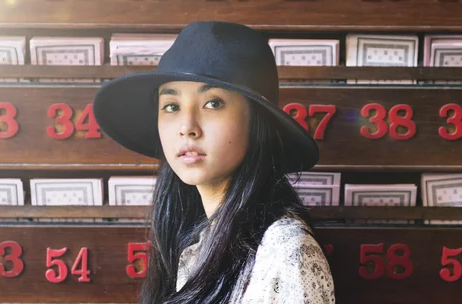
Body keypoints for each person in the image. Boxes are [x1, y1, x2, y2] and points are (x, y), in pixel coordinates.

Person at [93, 21, 335, 303]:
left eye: (213, 103)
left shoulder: (284, 251)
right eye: (171, 106)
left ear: (256, 122)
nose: (187, 127)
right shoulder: (197, 243)